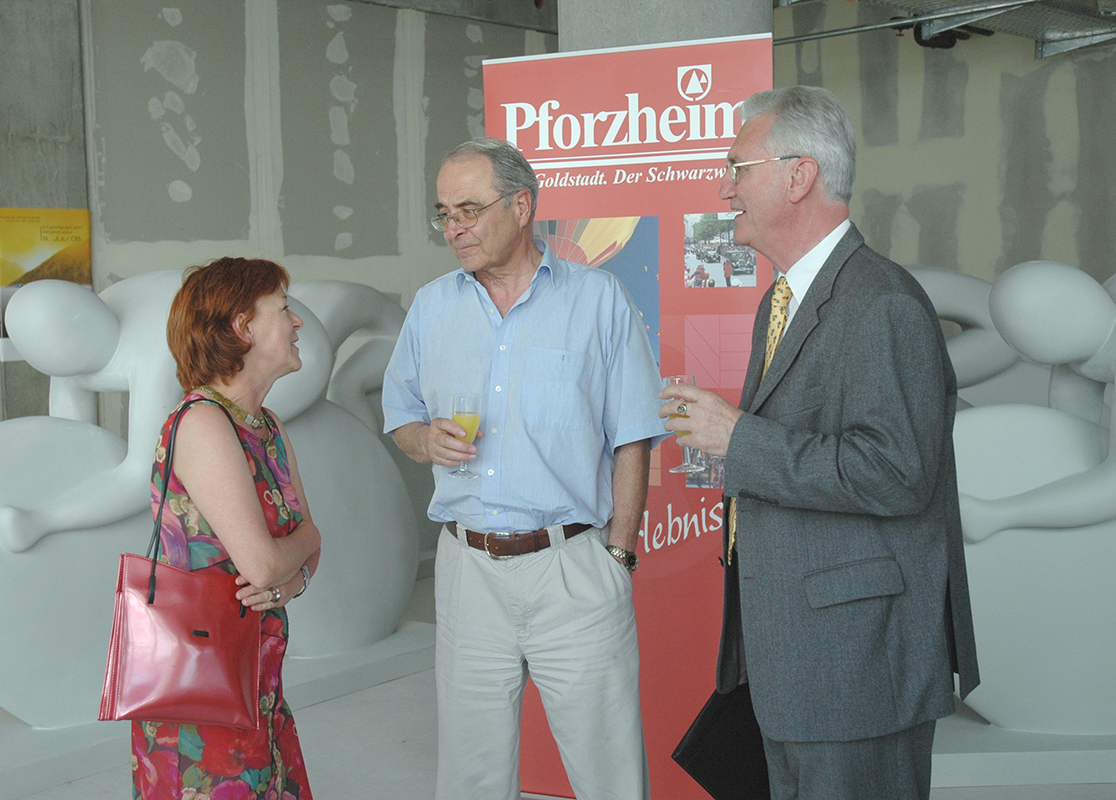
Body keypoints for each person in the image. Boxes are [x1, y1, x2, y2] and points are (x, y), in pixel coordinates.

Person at [660, 87, 980, 800]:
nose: (723, 189)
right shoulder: (783, 300)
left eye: (737, 168)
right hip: (793, 654)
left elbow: (896, 472)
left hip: (856, 665)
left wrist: (736, 438)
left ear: (798, 176)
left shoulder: (883, 303)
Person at [382, 137, 664, 800]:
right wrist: (424, 440)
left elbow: (633, 436)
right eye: (444, 213)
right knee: (471, 777)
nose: (454, 228)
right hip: (466, 571)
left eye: (469, 210)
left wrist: (618, 553)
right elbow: (401, 419)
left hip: (572, 568)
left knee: (610, 774)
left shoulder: (598, 300)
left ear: (521, 206)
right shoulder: (431, 306)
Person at [132, 257, 321, 800]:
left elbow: (296, 559)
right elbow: (267, 561)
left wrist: (292, 581)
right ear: (243, 328)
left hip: (257, 682)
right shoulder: (204, 424)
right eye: (283, 309)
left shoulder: (266, 426)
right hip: (202, 695)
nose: (297, 322)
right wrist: (303, 546)